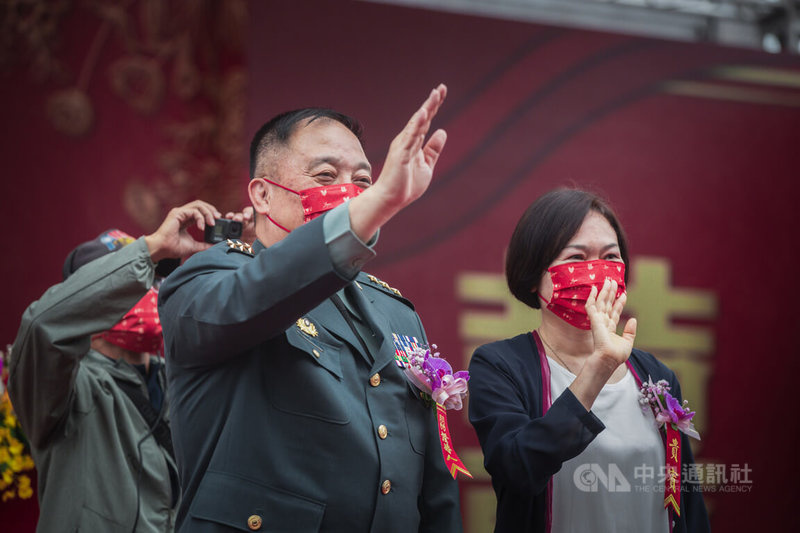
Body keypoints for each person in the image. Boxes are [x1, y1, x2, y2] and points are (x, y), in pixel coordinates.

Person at [157, 85, 463, 532]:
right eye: (325, 176)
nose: (349, 193)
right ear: (262, 195)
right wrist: (376, 204)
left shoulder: (396, 313)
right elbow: (256, 297)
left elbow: (432, 489)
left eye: (363, 181)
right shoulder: (206, 280)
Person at [468, 189, 710, 533]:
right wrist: (598, 368)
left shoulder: (656, 375)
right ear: (535, 273)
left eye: (610, 256)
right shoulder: (500, 366)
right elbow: (517, 469)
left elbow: (689, 507)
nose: (595, 272)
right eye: (576, 257)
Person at [8, 200, 238, 532]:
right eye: (130, 285)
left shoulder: (181, 377)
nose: (148, 291)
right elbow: (42, 327)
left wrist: (246, 251)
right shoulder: (64, 390)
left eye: (153, 278)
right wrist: (151, 249)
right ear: (91, 304)